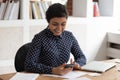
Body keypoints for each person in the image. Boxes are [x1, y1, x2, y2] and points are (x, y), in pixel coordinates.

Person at [24, 3, 86, 75]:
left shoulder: (69, 36)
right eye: (55, 24)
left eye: (63, 24)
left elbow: (82, 57)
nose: (59, 28)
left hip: (64, 76)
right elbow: (29, 64)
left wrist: (77, 64)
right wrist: (52, 70)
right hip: (44, 77)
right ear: (48, 22)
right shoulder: (39, 38)